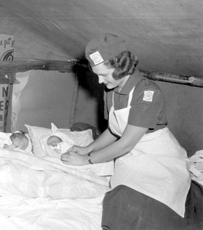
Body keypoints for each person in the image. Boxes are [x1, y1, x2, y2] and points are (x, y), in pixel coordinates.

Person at [61, 33, 191, 230]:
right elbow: (114, 130)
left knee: (149, 209)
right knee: (118, 200)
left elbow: (126, 142)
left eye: (103, 74)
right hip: (131, 156)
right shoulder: (111, 90)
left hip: (159, 161)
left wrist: (87, 160)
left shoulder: (147, 93)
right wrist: (86, 148)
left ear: (121, 67)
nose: (99, 81)